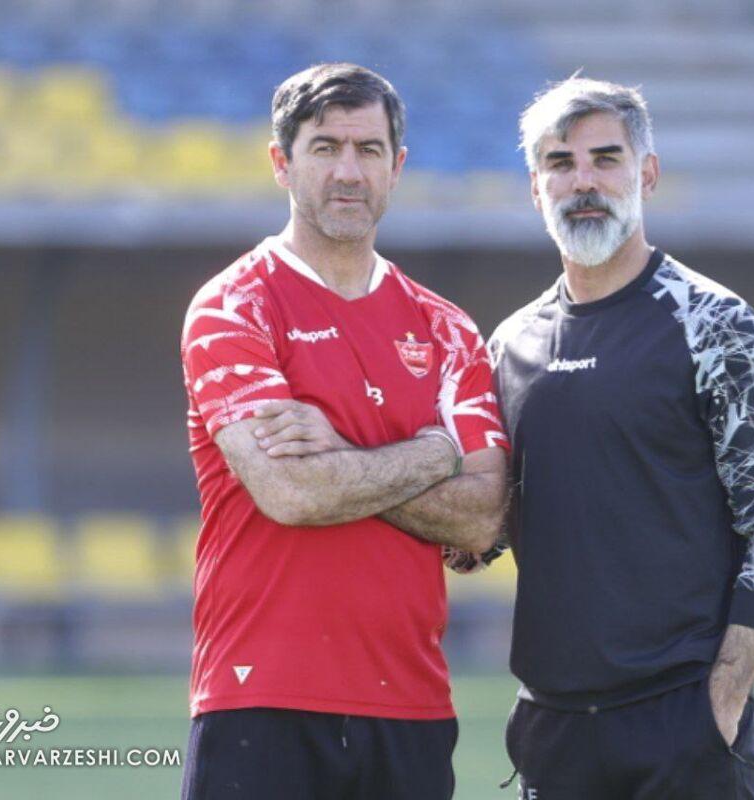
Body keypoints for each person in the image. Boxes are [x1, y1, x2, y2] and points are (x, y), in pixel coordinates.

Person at [178, 62, 509, 800]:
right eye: (325, 148)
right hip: (260, 694)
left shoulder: (448, 330)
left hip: (413, 705)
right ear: (281, 162)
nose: (348, 171)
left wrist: (341, 458)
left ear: (398, 167)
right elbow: (291, 493)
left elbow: (483, 517)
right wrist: (436, 453)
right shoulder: (233, 307)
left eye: (368, 149)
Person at [489, 76, 754, 799]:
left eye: (606, 159)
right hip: (552, 727)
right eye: (560, 163)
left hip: (684, 718)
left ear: (647, 173)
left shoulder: (717, 325)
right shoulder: (510, 345)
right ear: (535, 188)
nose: (583, 181)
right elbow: (485, 530)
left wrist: (724, 697)